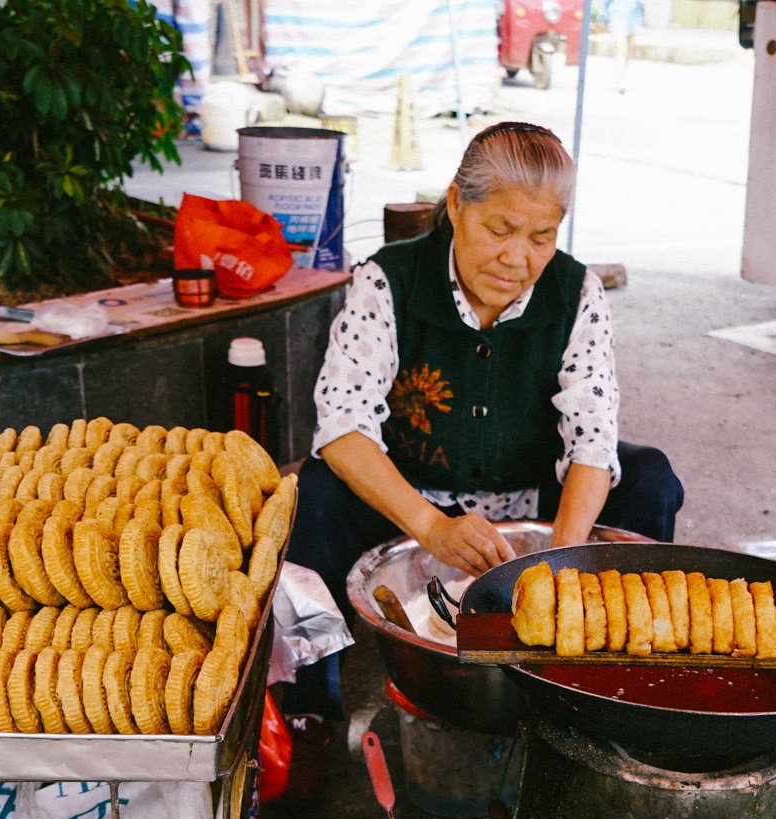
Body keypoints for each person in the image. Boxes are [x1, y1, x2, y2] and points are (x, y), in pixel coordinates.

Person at [284, 120, 684, 719]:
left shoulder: (576, 292)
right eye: (499, 230)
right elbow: (342, 427)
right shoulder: (387, 280)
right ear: (456, 204)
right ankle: (310, 709)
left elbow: (592, 442)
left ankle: (616, 689)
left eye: (541, 237)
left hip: (533, 501)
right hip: (407, 502)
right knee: (314, 492)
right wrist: (431, 526)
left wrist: (559, 565)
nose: (517, 259)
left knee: (650, 479)